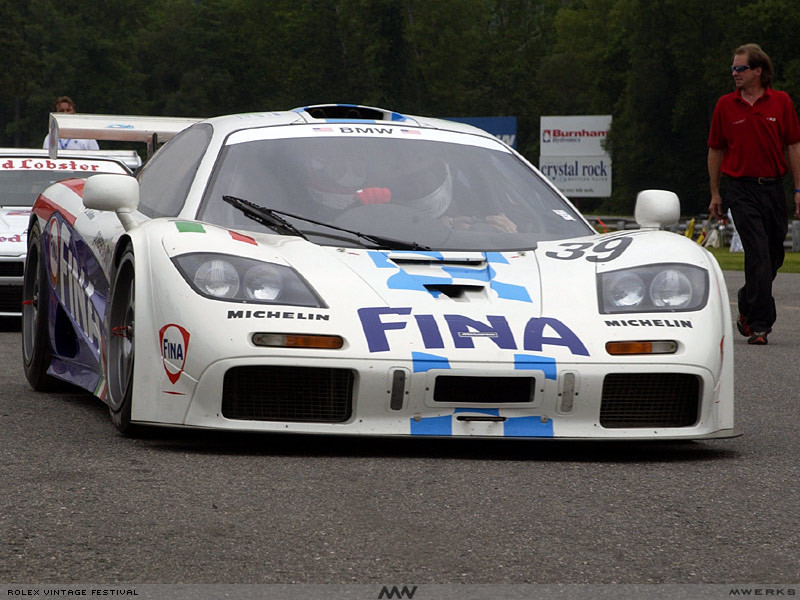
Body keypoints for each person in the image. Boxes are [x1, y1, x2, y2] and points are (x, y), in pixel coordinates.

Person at [707, 43, 800, 345]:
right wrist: (715, 193)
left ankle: (746, 301)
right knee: (758, 253)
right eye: (733, 68)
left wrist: (798, 189)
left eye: (740, 68)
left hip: (774, 187)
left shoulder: (781, 102)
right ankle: (761, 323)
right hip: (740, 189)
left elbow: (794, 147)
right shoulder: (725, 105)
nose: (734, 73)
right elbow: (715, 149)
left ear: (758, 71)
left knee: (773, 256)